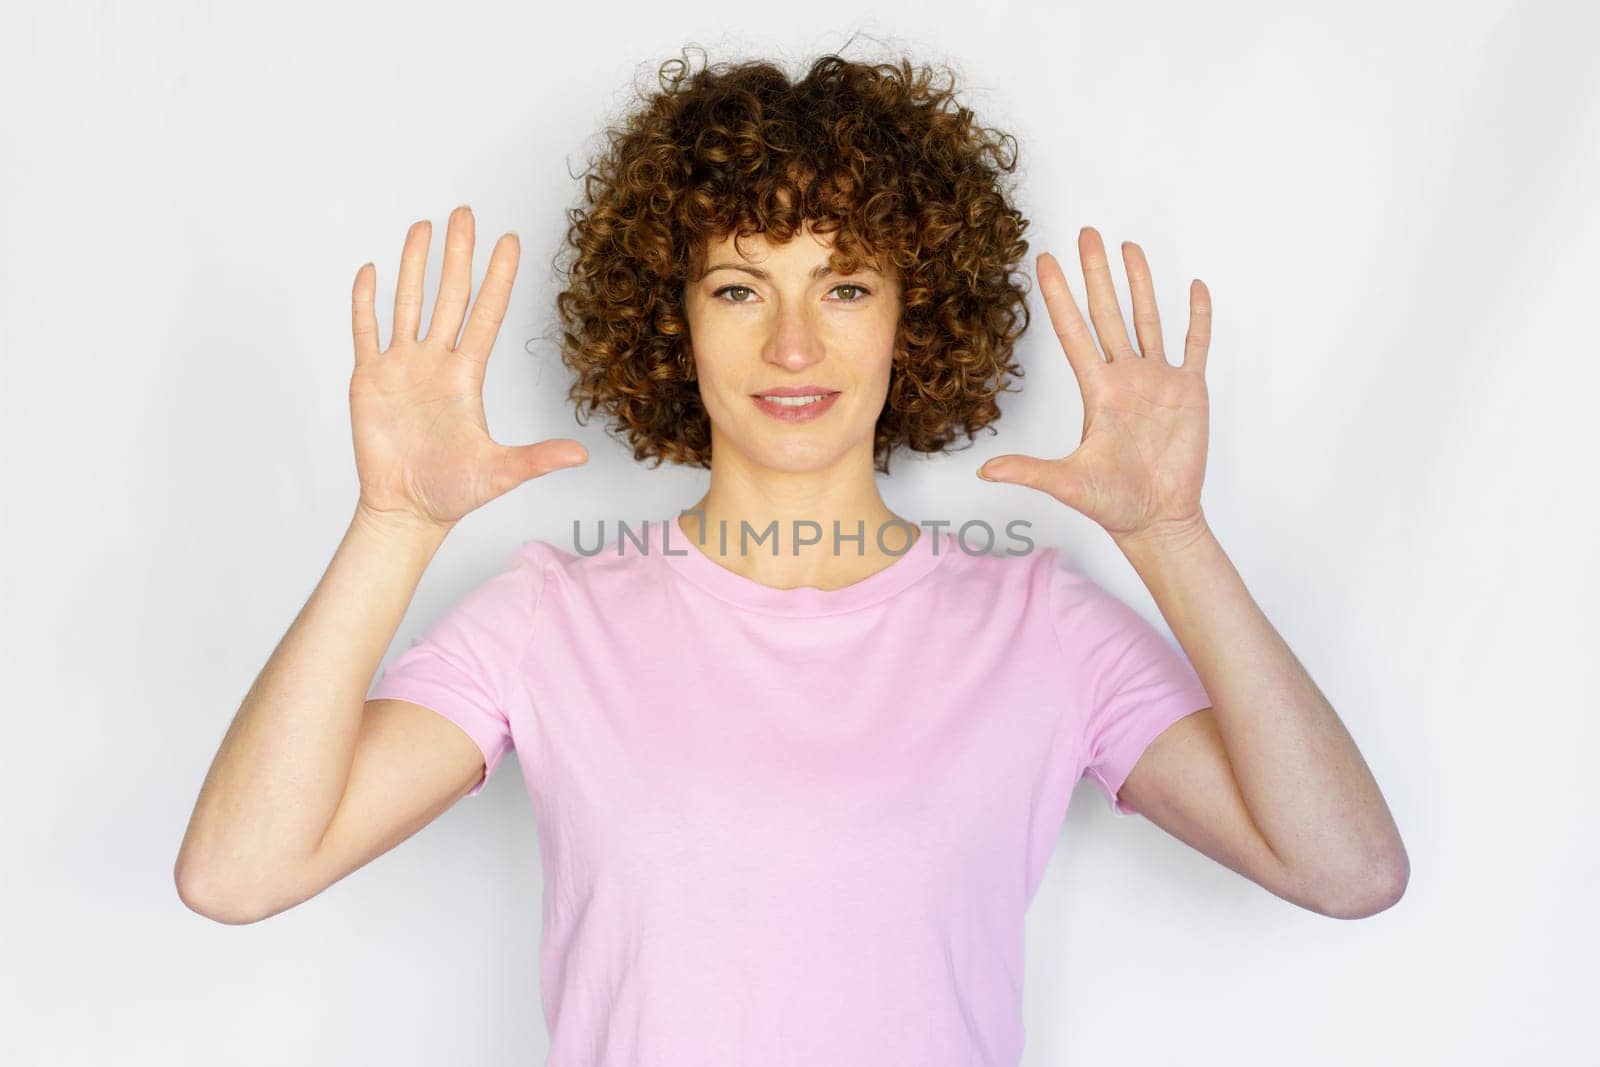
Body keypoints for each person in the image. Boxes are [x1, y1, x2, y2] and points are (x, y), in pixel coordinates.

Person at [175, 50, 1408, 1066]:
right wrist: (393, 524)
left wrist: (1170, 539)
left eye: (847, 284)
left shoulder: (1043, 626)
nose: (794, 342)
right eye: (736, 288)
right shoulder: (546, 622)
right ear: (671, 320)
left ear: (912, 315)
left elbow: (1346, 868)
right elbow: (238, 874)